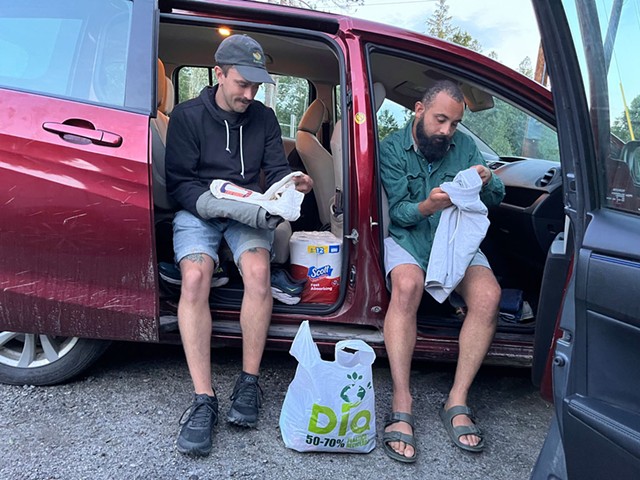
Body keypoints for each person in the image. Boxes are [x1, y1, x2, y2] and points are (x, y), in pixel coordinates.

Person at [165, 34, 313, 456]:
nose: (249, 94)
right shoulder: (187, 116)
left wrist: (293, 184)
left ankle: (249, 382)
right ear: (219, 75)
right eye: (241, 84)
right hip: (199, 209)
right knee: (194, 276)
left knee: (259, 273)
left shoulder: (264, 118)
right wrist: (220, 207)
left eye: (255, 86)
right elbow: (180, 184)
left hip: (248, 210)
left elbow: (275, 170)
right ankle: (203, 399)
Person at [379, 80, 505, 462]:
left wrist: (488, 180)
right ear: (418, 110)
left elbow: (495, 198)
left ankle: (457, 399)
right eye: (440, 120)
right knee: (406, 284)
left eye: (454, 123)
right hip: (411, 237)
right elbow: (399, 211)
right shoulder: (391, 148)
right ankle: (402, 398)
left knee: (489, 296)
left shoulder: (464, 147)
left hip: (455, 242)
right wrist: (428, 207)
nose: (447, 131)